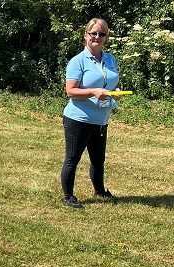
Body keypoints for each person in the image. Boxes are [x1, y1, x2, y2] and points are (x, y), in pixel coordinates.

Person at [60, 18, 122, 209]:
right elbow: (70, 91)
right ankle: (68, 196)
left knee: (98, 158)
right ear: (86, 35)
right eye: (93, 33)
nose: (97, 37)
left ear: (106, 37)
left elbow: (109, 83)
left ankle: (100, 190)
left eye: (101, 34)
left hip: (101, 118)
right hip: (78, 118)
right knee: (73, 158)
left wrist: (115, 93)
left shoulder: (110, 59)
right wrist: (94, 92)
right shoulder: (77, 61)